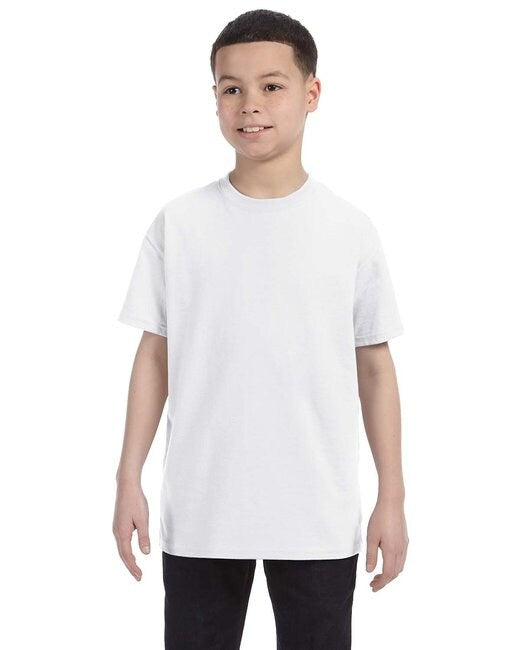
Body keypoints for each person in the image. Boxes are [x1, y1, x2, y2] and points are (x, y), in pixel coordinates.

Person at [113, 8, 409, 650]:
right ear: (215, 97)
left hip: (317, 515)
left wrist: (392, 496)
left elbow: (375, 368)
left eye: (272, 86)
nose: (250, 104)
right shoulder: (180, 224)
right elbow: (155, 356)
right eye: (232, 88)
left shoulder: (349, 229)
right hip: (202, 511)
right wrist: (127, 478)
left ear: (311, 93)